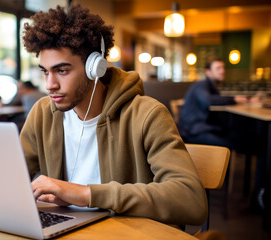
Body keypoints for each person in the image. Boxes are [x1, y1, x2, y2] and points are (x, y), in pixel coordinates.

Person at [20, 4, 207, 226]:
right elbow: (9, 177)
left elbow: (191, 200)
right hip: (68, 229)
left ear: (94, 67)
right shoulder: (42, 114)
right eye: (45, 71)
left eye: (62, 71)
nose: (50, 85)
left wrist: (87, 194)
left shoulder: (148, 115)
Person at [178, 59, 256, 149]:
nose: (222, 71)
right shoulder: (201, 85)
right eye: (218, 68)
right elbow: (208, 100)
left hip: (205, 128)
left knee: (246, 138)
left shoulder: (211, 87)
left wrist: (244, 99)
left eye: (223, 68)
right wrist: (234, 99)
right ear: (208, 72)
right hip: (195, 132)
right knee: (241, 143)